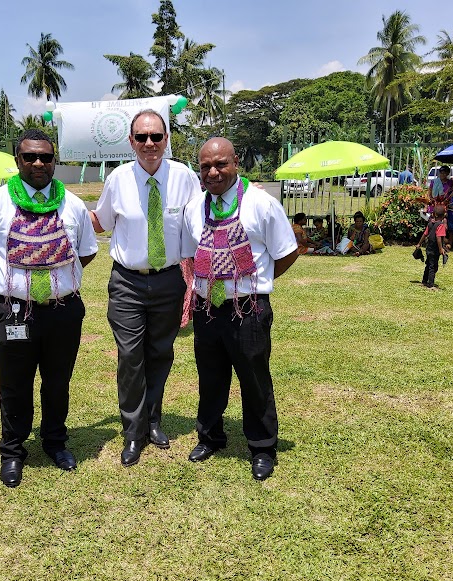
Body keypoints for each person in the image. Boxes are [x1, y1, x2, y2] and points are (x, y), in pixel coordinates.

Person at [0, 129, 98, 487]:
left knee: (58, 381)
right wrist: (6, 274)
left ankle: (55, 442)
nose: (38, 163)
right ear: (17, 160)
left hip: (62, 311)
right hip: (14, 311)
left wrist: (57, 275)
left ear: (55, 161)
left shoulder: (73, 205)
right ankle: (12, 451)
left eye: (46, 157)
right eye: (30, 157)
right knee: (14, 382)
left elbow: (87, 251)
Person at [181, 137, 298, 480]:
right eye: (206, 166)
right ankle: (210, 436)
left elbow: (287, 251)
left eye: (221, 164)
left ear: (236, 163)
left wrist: (255, 285)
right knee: (210, 377)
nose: (213, 172)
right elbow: (189, 254)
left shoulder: (261, 204)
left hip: (248, 309)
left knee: (253, 377)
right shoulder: (193, 208)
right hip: (207, 309)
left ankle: (262, 447)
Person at [90, 109, 200, 467]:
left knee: (160, 354)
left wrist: (247, 189)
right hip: (127, 282)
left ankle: (154, 421)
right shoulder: (118, 179)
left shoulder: (184, 176)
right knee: (130, 358)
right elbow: (100, 222)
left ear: (167, 138)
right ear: (131, 142)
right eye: (142, 137)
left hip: (169, 280)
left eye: (156, 136)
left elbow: (208, 211)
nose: (149, 144)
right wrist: (59, 206)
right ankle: (133, 432)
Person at [416, 205, 448, 289]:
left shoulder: (430, 224)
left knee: (428, 264)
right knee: (433, 267)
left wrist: (419, 243)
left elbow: (424, 234)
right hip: (435, 249)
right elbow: (438, 237)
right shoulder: (441, 225)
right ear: (444, 215)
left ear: (434, 214)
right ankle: (430, 284)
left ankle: (424, 281)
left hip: (429, 247)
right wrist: (441, 248)